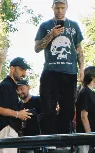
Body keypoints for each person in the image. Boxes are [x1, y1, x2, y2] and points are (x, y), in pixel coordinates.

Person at [35, 0, 84, 135]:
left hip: (70, 72)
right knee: (48, 107)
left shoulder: (74, 25)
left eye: (62, 8)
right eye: (57, 8)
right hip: (51, 71)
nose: (60, 11)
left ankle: (63, 138)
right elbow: (37, 48)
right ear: (52, 8)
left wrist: (82, 69)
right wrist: (51, 35)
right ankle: (49, 138)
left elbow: (79, 49)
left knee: (68, 108)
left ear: (67, 8)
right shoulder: (45, 25)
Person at [75, 66, 95, 153]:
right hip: (85, 136)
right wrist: (89, 135)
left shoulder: (93, 94)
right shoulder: (85, 92)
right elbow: (83, 116)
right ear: (92, 76)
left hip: (93, 135)